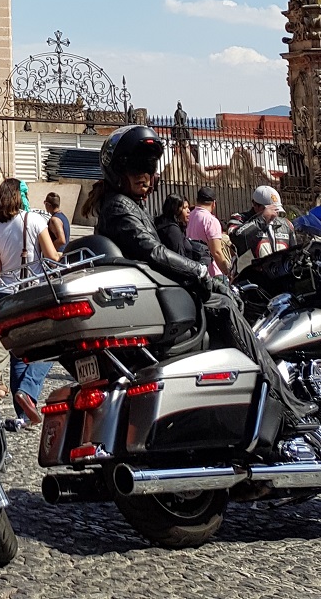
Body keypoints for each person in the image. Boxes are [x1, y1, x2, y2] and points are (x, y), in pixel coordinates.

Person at [91, 125, 316, 429]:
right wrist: (199, 271)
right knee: (225, 304)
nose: (146, 174)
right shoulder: (120, 206)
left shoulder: (124, 203)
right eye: (137, 167)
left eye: (149, 167)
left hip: (150, 293)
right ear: (118, 170)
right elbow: (153, 252)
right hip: (154, 299)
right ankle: (285, 404)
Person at [0, 177, 60, 425]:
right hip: (33, 292)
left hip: (5, 294)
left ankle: (23, 414)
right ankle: (28, 391)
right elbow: (51, 255)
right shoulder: (35, 220)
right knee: (49, 346)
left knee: (17, 351)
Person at [232, 185, 294, 276]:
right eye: (268, 210)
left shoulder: (286, 225)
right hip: (250, 279)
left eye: (276, 211)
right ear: (255, 205)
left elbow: (293, 254)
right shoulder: (239, 219)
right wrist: (262, 220)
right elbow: (237, 238)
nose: (274, 215)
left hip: (280, 279)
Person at [154, 194, 203, 260]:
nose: (188, 211)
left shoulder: (165, 224)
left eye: (188, 207)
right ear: (175, 210)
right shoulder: (172, 230)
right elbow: (180, 259)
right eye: (185, 208)